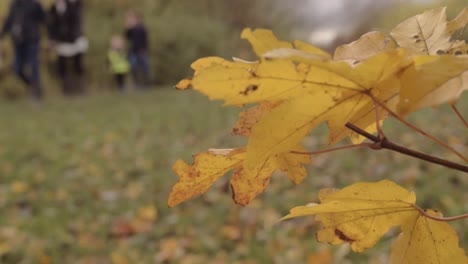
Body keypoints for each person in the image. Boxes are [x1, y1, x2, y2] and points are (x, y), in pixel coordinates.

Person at [0, 0, 46, 100]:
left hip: (32, 40)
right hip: (18, 42)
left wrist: (51, 36)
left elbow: (45, 19)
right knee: (17, 69)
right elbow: (9, 21)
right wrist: (2, 36)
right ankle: (34, 86)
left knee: (34, 66)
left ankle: (36, 93)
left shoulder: (35, 4)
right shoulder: (14, 5)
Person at [47, 0, 87, 96]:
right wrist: (52, 38)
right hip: (62, 41)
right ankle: (67, 91)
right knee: (63, 66)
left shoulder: (72, 5)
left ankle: (82, 89)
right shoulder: (52, 9)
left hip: (74, 38)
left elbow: (77, 20)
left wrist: (74, 35)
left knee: (78, 64)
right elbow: (52, 25)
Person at [125, 10, 151, 89]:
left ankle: (147, 85)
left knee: (145, 69)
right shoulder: (130, 29)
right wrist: (129, 27)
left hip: (142, 51)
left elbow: (146, 40)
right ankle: (137, 84)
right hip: (133, 52)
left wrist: (145, 50)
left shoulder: (141, 28)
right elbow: (127, 37)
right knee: (134, 68)